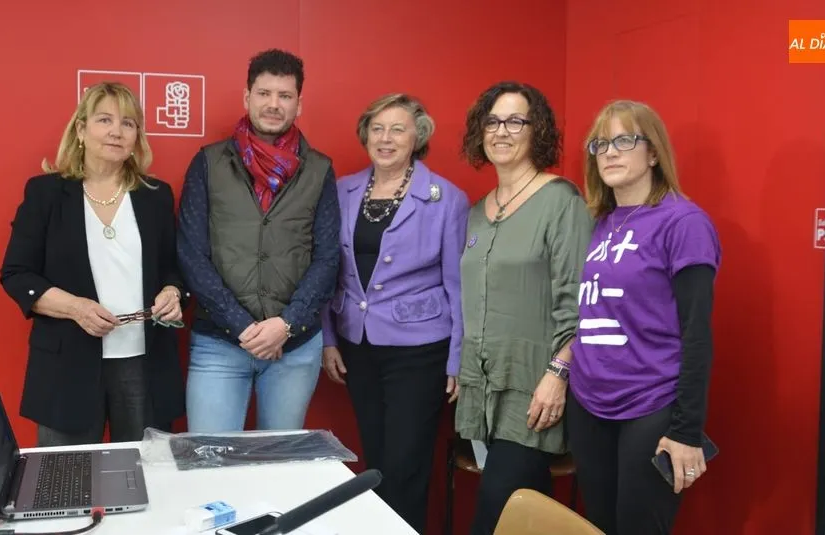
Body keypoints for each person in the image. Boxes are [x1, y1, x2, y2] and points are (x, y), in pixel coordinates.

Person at [0, 82, 187, 447]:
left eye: (128, 123)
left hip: (143, 364)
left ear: (137, 137)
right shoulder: (46, 194)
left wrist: (172, 290)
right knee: (64, 482)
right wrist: (75, 308)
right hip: (67, 365)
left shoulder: (155, 196)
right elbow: (17, 275)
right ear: (81, 130)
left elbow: (172, 268)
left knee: (149, 480)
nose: (117, 131)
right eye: (105, 120)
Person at [566, 100, 721, 535]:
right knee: (599, 526)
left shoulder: (683, 222)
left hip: (650, 405)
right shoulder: (602, 221)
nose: (610, 152)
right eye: (600, 143)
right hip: (590, 403)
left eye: (624, 140)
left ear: (653, 152)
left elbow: (697, 334)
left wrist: (687, 431)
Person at [320, 93, 469, 533]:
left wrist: (457, 358)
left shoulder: (447, 199)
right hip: (358, 343)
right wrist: (329, 338)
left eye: (397, 129)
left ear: (417, 137)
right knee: (377, 459)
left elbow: (458, 285)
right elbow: (329, 270)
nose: (385, 138)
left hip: (420, 350)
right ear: (365, 134)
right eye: (377, 128)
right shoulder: (343, 190)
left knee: (406, 463)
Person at [454, 81, 594, 535]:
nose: (502, 131)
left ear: (538, 131)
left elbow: (578, 301)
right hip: (481, 390)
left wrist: (558, 374)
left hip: (534, 389)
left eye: (516, 120)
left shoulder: (562, 201)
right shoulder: (478, 211)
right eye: (493, 121)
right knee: (528, 513)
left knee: (494, 514)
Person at [178, 49, 341, 432]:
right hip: (219, 342)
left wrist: (285, 325)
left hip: (294, 346)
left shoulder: (319, 170)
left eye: (284, 96)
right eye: (264, 93)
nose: (273, 104)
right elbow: (191, 253)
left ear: (299, 104)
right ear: (246, 97)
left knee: (279, 469)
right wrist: (241, 326)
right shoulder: (208, 162)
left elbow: (327, 257)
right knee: (210, 461)